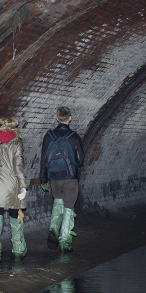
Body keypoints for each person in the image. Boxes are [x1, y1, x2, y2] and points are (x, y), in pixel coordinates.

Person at [39, 106, 84, 252]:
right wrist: (74, 167)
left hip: (54, 178)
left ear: (57, 118)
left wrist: (43, 178)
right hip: (70, 177)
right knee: (68, 208)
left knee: (58, 203)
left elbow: (44, 159)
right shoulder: (74, 136)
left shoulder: (49, 136)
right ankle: (65, 241)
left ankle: (53, 228)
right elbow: (81, 159)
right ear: (69, 118)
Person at [0, 117, 28, 263]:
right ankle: (18, 250)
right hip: (12, 184)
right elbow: (18, 167)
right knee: (15, 216)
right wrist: (23, 186)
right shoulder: (16, 143)